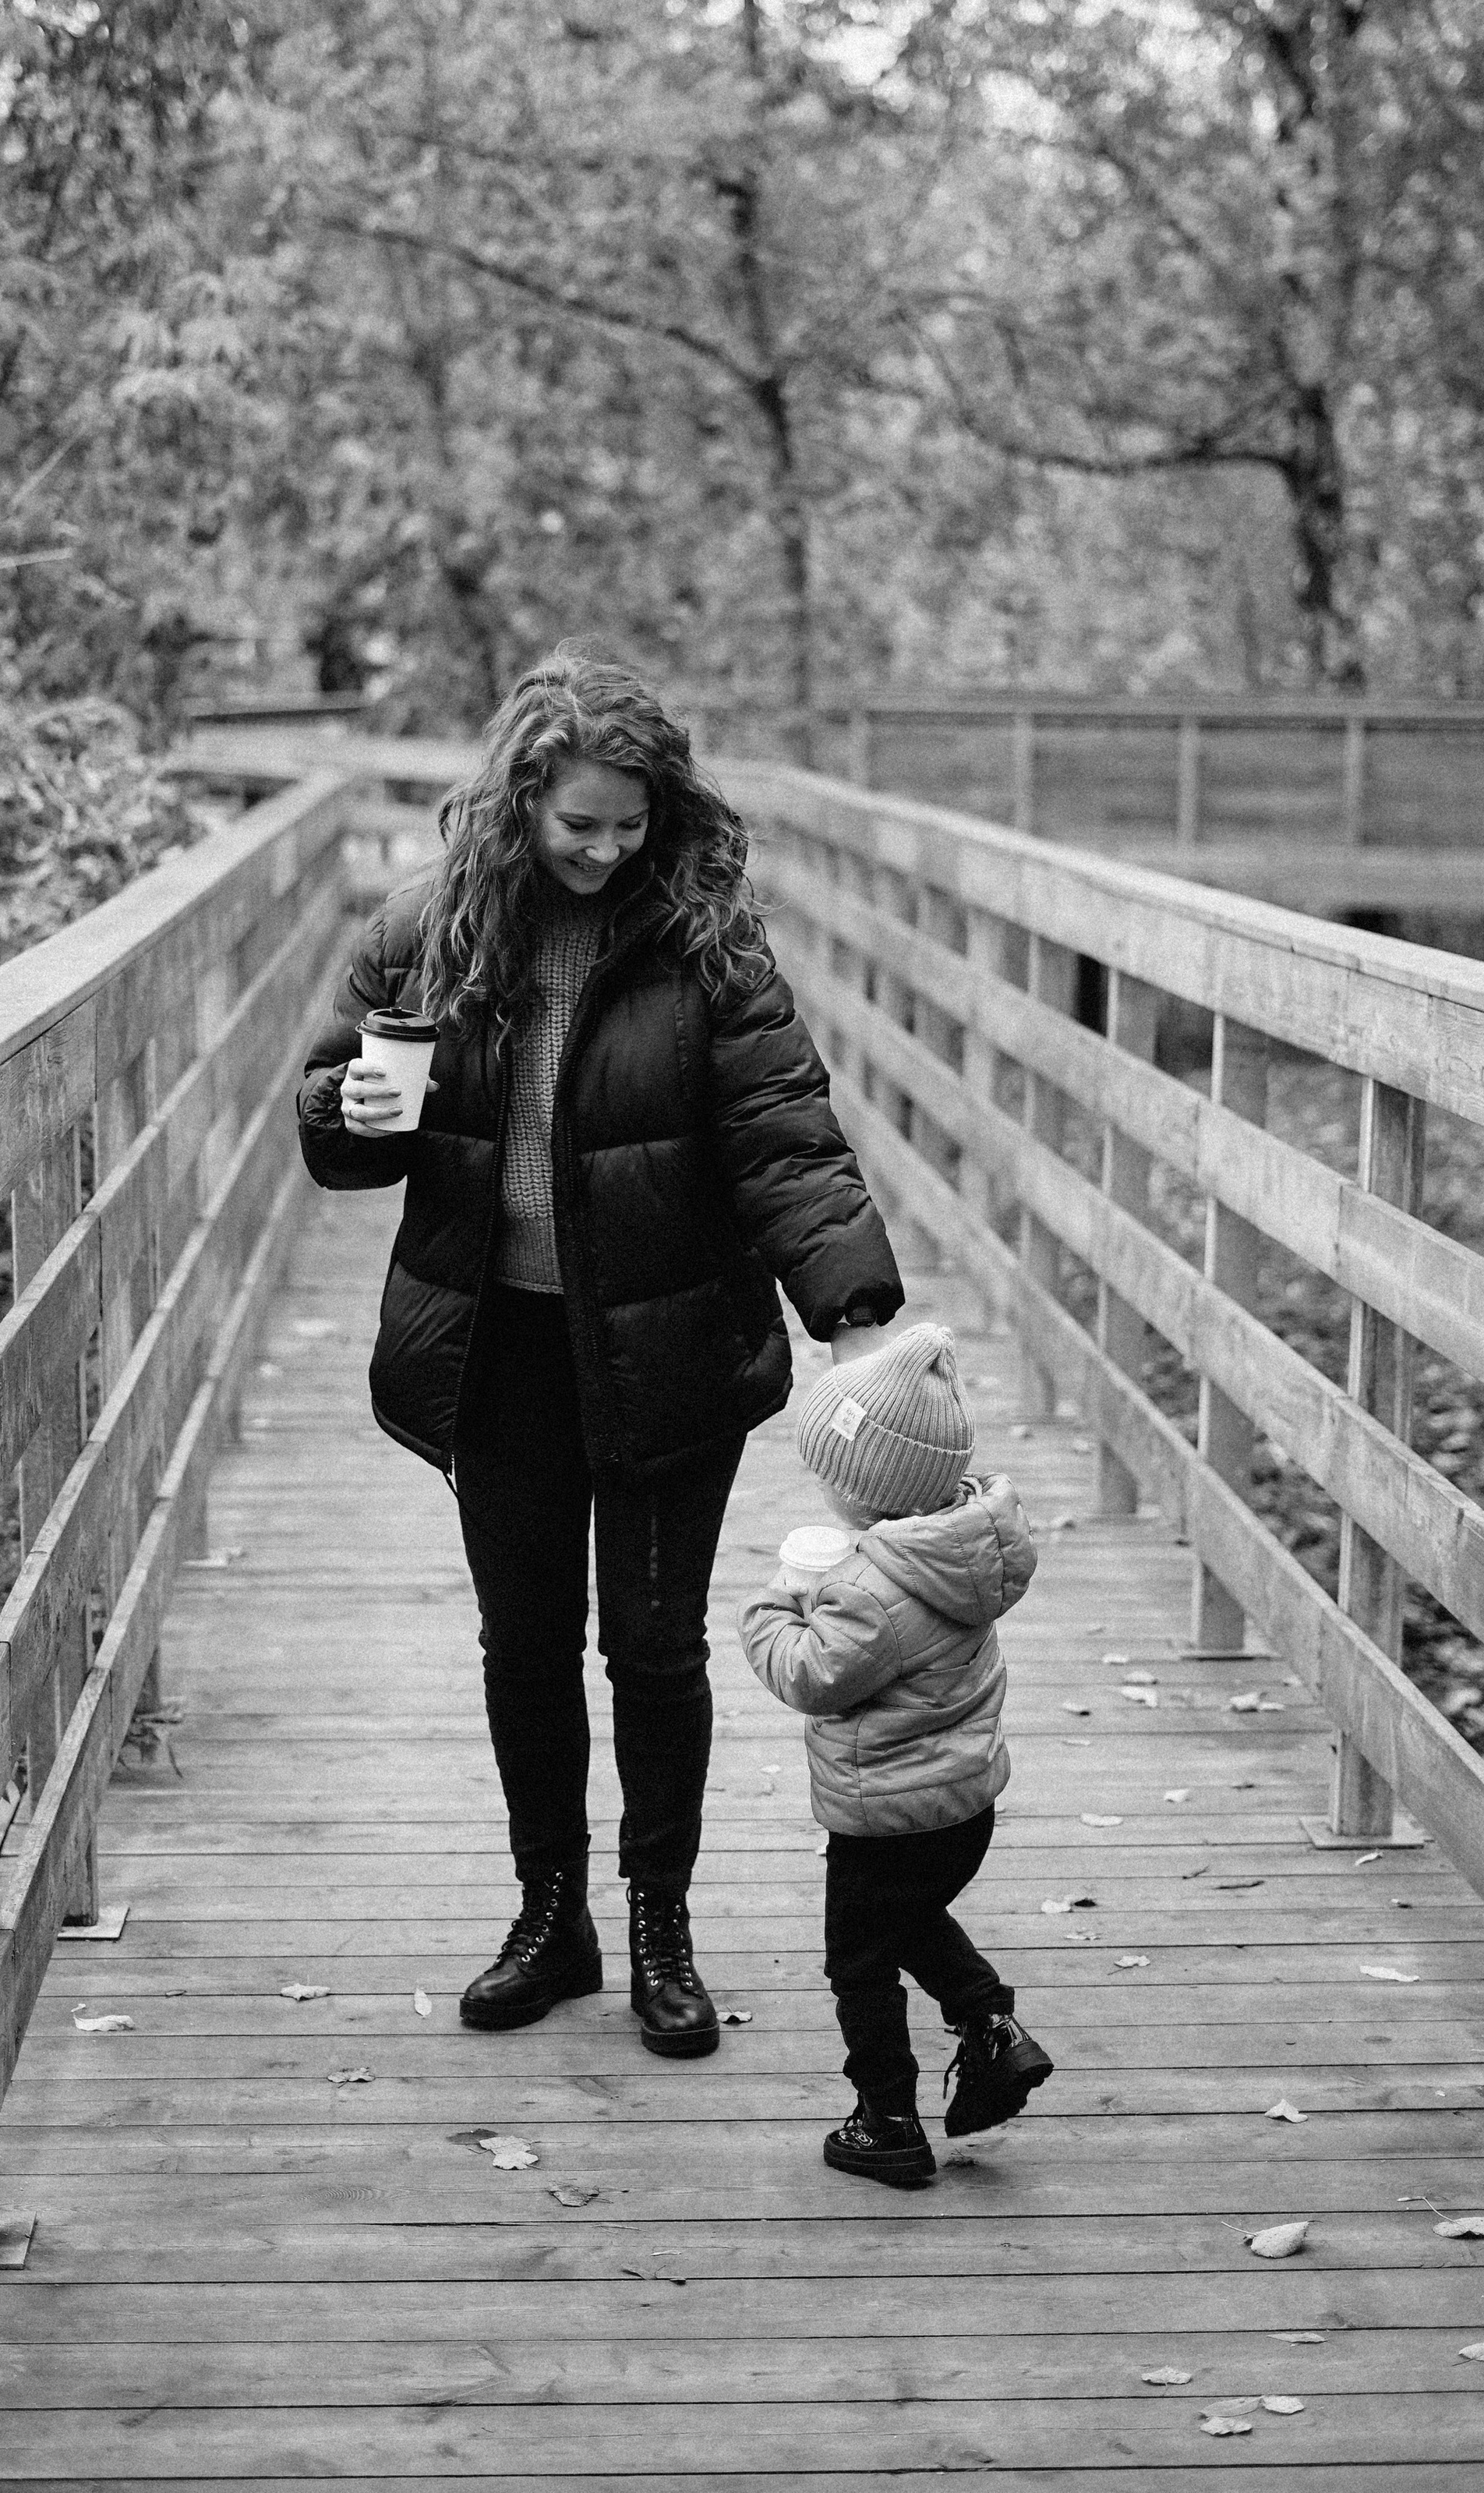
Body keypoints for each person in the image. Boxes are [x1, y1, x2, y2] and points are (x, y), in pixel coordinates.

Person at [295, 646, 903, 2057]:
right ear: (521, 801)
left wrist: (855, 1312)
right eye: (579, 823)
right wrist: (350, 1114)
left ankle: (659, 1929)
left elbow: (784, 1135)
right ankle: (550, 1917)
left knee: (653, 1646)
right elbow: (335, 1120)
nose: (606, 849)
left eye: (631, 824)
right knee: (524, 1645)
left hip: (667, 1342)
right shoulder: (424, 932)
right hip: (496, 1346)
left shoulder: (705, 943)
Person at [739, 1321, 1051, 2186]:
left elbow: (810, 1676)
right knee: (908, 1919)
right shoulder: (961, 1550)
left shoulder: (868, 1593)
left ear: (862, 1493)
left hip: (884, 1816)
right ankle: (991, 2025)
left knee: (860, 1963)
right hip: (962, 1806)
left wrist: (777, 1604)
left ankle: (887, 2122)